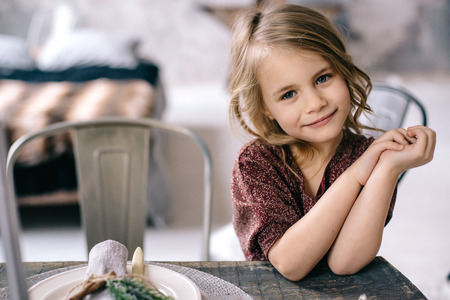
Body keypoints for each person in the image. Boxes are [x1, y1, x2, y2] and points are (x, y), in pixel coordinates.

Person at [228, 4, 436, 281]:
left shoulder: (370, 157)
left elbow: (344, 263)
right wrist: (356, 175)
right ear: (265, 107)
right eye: (289, 94)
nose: (316, 103)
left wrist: (387, 170)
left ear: (343, 68)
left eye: (323, 78)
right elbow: (290, 263)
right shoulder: (257, 162)